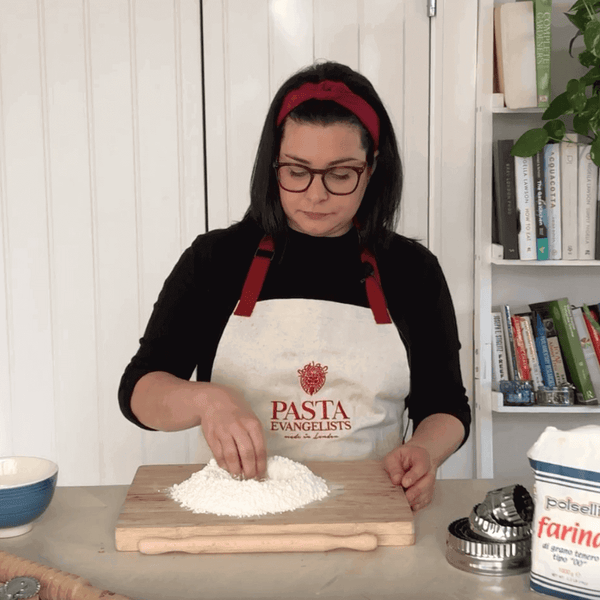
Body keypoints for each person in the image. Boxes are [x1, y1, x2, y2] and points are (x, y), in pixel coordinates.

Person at [118, 61, 471, 513]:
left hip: (369, 511)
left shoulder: (411, 270)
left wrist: (424, 451)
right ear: (273, 166)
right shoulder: (215, 260)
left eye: (341, 174)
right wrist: (207, 400)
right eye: (296, 171)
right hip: (237, 515)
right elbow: (139, 390)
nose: (315, 195)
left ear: (373, 167)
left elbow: (445, 405)